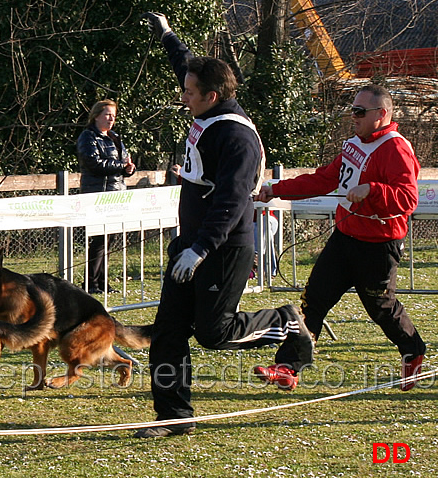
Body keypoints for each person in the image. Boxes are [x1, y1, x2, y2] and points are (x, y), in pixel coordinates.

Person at [134, 13, 315, 438]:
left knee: (214, 334)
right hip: (191, 243)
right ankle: (174, 417)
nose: (184, 98)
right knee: (168, 332)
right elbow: (187, 65)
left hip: (223, 246)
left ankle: (287, 321)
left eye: (190, 94)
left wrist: (202, 249)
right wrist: (166, 33)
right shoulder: (208, 102)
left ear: (212, 96)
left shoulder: (237, 138)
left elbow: (233, 202)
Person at [254, 84, 426, 392]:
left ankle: (414, 350)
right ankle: (287, 367)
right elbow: (325, 179)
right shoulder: (353, 145)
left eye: (360, 112)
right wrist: (276, 189)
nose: (354, 117)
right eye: (353, 111)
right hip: (344, 237)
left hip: (378, 245)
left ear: (381, 115)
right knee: (313, 300)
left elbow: (408, 199)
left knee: (381, 309)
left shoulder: (396, 149)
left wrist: (372, 190)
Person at [77, 99, 136, 294]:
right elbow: (94, 163)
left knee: (109, 241)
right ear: (96, 116)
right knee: (99, 241)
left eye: (113, 115)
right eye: (107, 115)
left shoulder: (115, 137)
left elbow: (124, 162)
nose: (111, 119)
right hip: (98, 195)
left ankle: (103, 283)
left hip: (117, 194)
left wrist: (129, 169)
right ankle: (90, 283)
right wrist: (121, 166)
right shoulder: (88, 137)